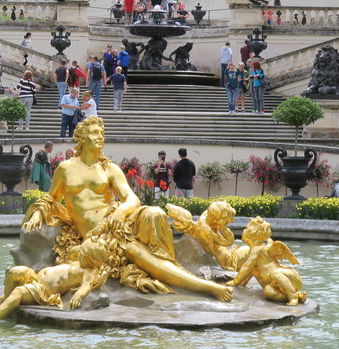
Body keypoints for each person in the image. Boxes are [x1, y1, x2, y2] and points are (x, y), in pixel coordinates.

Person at [23, 116, 231, 301]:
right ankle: (206, 287)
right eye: (95, 133)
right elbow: (51, 199)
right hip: (99, 235)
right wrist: (39, 212)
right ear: (82, 137)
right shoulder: (65, 168)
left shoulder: (110, 169)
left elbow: (132, 198)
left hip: (118, 222)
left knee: (156, 213)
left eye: (102, 133)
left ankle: (172, 265)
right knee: (141, 255)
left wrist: (121, 212)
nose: (100, 137)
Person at [0, 239, 111, 321]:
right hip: (35, 278)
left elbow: (87, 285)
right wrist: (86, 246)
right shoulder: (80, 261)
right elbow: (73, 251)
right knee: (15, 272)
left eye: (83, 255)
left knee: (18, 291)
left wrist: (79, 295)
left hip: (43, 291)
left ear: (93, 261)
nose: (79, 255)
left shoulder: (88, 271)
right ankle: (6, 298)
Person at [227, 217, 306, 306]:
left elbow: (247, 267)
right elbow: (252, 269)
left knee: (275, 273)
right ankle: (295, 296)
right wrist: (242, 284)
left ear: (252, 234)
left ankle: (293, 296)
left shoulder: (258, 248)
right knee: (268, 292)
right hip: (274, 284)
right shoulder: (252, 250)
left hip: (286, 276)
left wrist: (235, 282)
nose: (244, 231)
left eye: (247, 229)